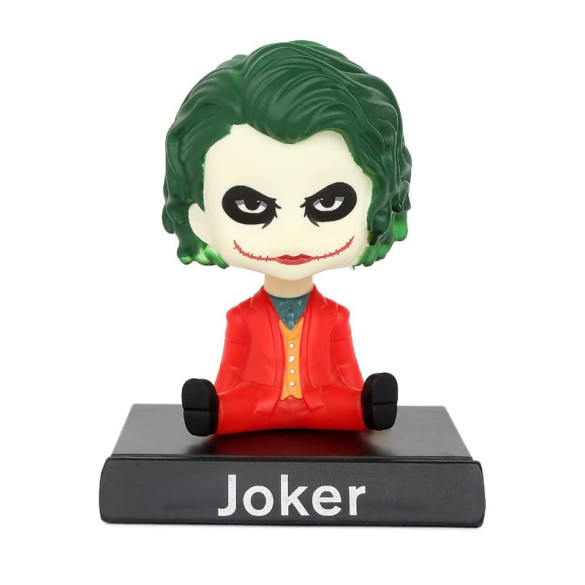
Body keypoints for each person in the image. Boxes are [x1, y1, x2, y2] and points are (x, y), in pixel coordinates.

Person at [163, 41, 411, 435]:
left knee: (349, 405)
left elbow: (347, 373)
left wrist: (361, 397)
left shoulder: (335, 317)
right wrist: (220, 399)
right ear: (200, 217)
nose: (292, 235)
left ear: (379, 201)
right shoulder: (241, 318)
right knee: (231, 409)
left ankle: (367, 410)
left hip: (323, 404)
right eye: (250, 206)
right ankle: (212, 415)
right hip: (257, 405)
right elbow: (230, 375)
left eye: (328, 203)